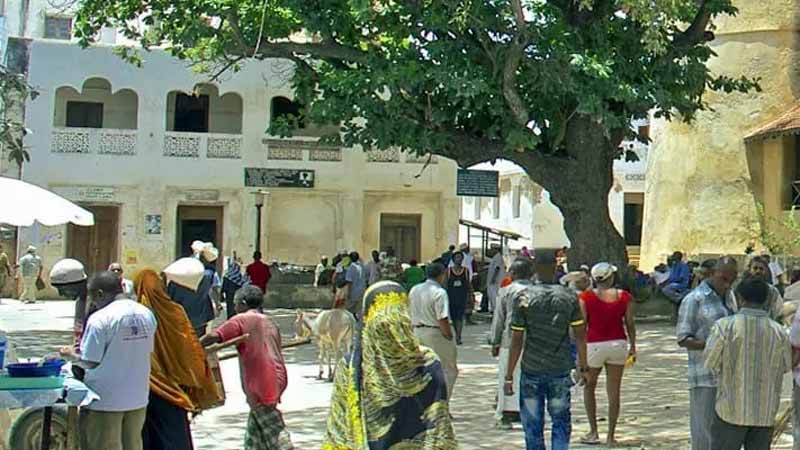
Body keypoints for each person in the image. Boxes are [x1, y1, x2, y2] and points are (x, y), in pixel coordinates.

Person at [323, 280, 456, 449]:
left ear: (365, 319)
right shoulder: (427, 361)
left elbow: (340, 430)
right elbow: (439, 429)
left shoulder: (351, 366)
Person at [59, 271, 157, 450]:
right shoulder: (146, 314)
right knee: (133, 444)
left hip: (105, 400)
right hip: (137, 398)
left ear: (100, 294)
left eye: (93, 297)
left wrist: (70, 356)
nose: (93, 303)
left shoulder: (100, 319)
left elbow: (91, 361)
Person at [506, 249, 588, 450]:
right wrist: (583, 366)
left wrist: (508, 375)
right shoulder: (569, 297)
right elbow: (580, 335)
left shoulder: (524, 297)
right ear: (556, 267)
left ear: (534, 268)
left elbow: (517, 340)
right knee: (560, 421)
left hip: (532, 369)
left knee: (532, 424)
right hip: (560, 369)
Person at [200, 285, 294, 450]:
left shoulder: (242, 319)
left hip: (262, 380)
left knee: (275, 433)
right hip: (277, 377)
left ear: (243, 303)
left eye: (235, 304)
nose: (234, 307)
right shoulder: (269, 321)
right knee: (256, 430)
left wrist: (192, 346)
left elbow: (214, 336)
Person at [135, 269, 219, 450]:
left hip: (147, 385)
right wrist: (196, 383)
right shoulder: (176, 312)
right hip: (175, 386)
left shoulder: (136, 315)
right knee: (175, 433)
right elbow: (190, 350)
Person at [706, 275, 791, 450]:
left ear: (739, 298)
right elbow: (785, 366)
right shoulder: (779, 332)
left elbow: (710, 363)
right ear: (767, 300)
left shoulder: (724, 327)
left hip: (730, 410)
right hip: (764, 413)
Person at [677, 256, 738, 450]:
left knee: (726, 430)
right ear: (712, 275)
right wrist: (713, 344)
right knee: (704, 429)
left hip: (729, 375)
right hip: (704, 375)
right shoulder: (694, 300)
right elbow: (683, 338)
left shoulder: (731, 297)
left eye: (732, 279)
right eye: (723, 278)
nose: (727, 283)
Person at [579, 263, 637, 446]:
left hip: (594, 344)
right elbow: (629, 323)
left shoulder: (585, 297)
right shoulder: (624, 297)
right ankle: (611, 436)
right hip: (617, 344)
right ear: (611, 277)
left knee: (589, 387)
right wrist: (633, 345)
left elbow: (581, 326)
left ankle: (593, 431)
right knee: (614, 391)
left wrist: (578, 354)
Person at [490, 258, 534, 430]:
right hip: (532, 341)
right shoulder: (537, 290)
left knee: (507, 376)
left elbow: (499, 318)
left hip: (509, 340)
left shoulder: (505, 291)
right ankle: (529, 412)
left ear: (513, 274)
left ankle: (506, 416)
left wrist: (495, 341)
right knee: (529, 377)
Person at [409, 262, 458, 398]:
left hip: (417, 331)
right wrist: (448, 335)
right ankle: (442, 402)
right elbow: (442, 317)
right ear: (442, 275)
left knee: (422, 370)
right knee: (448, 370)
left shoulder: (415, 289)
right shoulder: (439, 292)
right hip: (436, 333)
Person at [166, 254, 219, 338]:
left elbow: (169, 299)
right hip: (200, 319)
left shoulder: (175, 283)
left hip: (181, 320)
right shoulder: (208, 276)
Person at [49, 259, 89, 344]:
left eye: (63, 289)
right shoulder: (81, 301)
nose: (61, 294)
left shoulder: (97, 304)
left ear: (78, 284)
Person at [744, 256, 784, 322]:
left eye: (761, 269)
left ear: (766, 271)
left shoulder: (773, 291)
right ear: (749, 270)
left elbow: (779, 312)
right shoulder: (741, 289)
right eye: (755, 268)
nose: (758, 271)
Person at [446, 252, 472, 345]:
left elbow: (468, 284)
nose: (459, 259)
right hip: (451, 297)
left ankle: (458, 336)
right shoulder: (448, 271)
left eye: (460, 258)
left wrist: (470, 297)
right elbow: (445, 284)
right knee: (453, 317)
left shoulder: (465, 271)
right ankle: (456, 333)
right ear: (453, 260)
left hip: (462, 296)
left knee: (460, 317)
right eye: (457, 257)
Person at [222, 253, 249, 318]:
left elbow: (223, 287)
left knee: (230, 309)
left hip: (229, 297)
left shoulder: (227, 276)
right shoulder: (239, 278)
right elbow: (243, 285)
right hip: (236, 297)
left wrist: (222, 294)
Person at [487, 247, 507, 313]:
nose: (490, 251)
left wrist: (493, 279)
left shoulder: (497, 257)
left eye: (492, 249)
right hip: (495, 281)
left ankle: (496, 311)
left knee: (494, 296)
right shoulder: (496, 257)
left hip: (496, 281)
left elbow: (497, 268)